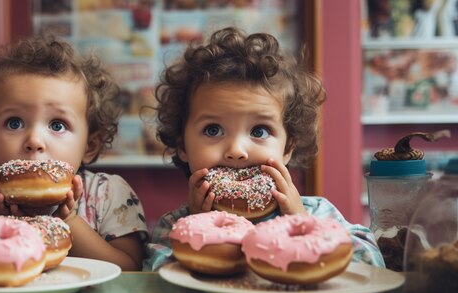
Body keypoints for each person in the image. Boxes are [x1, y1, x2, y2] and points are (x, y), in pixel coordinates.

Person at [143, 27, 384, 271]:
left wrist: (301, 224)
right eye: (213, 130)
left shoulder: (317, 214)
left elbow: (372, 267)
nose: (237, 150)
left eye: (259, 131)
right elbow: (158, 284)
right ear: (183, 146)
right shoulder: (175, 225)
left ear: (288, 147)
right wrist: (197, 231)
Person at [0, 34, 147, 271]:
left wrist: (68, 221)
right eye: (14, 123)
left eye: (57, 125)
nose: (34, 141)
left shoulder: (109, 195)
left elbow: (130, 270)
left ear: (89, 146)